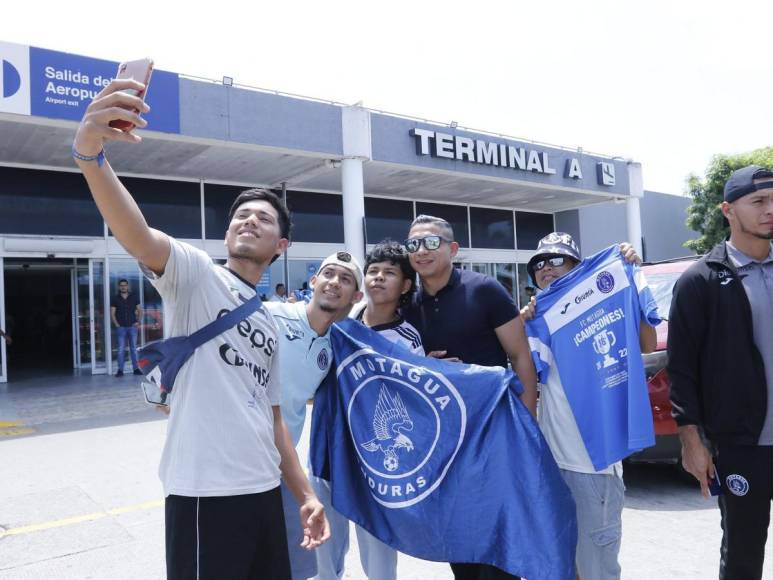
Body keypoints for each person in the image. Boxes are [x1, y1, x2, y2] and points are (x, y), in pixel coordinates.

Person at [73, 77, 329, 579]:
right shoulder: (194, 276)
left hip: (262, 491)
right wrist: (90, 155)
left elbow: (274, 420)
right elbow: (138, 235)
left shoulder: (268, 322)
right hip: (203, 494)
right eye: (241, 216)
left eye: (263, 218)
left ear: (282, 246)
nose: (249, 221)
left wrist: (305, 495)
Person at [401, 214, 538, 580]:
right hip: (444, 443)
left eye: (431, 242)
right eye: (413, 244)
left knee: (498, 538)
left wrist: (526, 422)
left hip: (494, 433)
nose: (421, 251)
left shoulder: (485, 290)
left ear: (453, 249)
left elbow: (520, 356)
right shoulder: (407, 305)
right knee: (458, 538)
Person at [520, 232, 657, 580]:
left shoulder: (606, 296)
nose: (546, 269)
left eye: (556, 260)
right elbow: (524, 378)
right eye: (539, 263)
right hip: (551, 463)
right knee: (559, 566)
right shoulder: (540, 315)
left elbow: (647, 342)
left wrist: (627, 271)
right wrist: (523, 324)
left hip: (593, 468)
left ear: (578, 268)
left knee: (596, 569)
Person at [668, 164, 773, 580]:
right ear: (728, 210)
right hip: (740, 444)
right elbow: (682, 367)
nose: (770, 210)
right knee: (743, 556)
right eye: (759, 202)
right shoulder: (701, 281)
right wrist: (691, 440)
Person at [313, 240, 424, 580]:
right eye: (373, 271)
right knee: (323, 542)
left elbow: (416, 401)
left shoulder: (408, 339)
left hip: (376, 460)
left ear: (405, 285)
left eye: (389, 273)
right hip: (327, 448)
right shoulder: (339, 324)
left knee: (377, 549)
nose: (378, 277)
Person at [266, 251, 364, 580]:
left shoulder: (338, 344)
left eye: (345, 279)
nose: (334, 282)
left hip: (283, 466)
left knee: (292, 565)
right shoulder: (270, 316)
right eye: (328, 274)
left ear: (357, 296)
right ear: (313, 281)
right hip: (238, 464)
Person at [110, 278, 143, 376]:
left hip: (132, 327)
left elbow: (140, 310)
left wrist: (138, 321)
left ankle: (136, 369)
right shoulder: (115, 298)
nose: (123, 287)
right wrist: (117, 325)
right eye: (121, 285)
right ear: (119, 287)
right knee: (121, 349)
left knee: (133, 349)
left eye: (125, 285)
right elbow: (112, 313)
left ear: (127, 286)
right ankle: (120, 370)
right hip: (121, 328)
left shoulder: (134, 297)